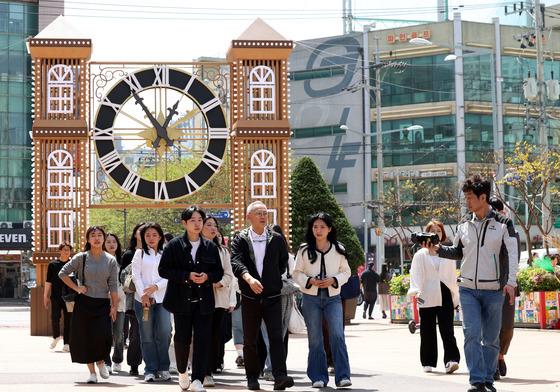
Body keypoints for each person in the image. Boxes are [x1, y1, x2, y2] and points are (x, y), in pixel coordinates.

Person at [437, 175, 518, 392]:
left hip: (493, 290)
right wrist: (436, 248)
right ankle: (476, 381)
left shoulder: (503, 224)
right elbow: (456, 252)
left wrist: (510, 282)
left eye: (470, 197)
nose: (467, 201)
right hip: (467, 290)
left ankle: (488, 381)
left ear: (483, 197)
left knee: (491, 340)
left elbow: (512, 253)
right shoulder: (464, 224)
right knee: (471, 333)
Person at [230, 201, 294, 391]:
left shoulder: (276, 238)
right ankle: (252, 377)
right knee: (250, 339)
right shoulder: (240, 238)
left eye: (265, 212)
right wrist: (249, 279)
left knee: (276, 337)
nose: (263, 216)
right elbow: (235, 261)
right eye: (258, 213)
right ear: (248, 216)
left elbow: (283, 263)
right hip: (250, 297)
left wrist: (271, 279)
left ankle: (280, 376)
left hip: (273, 296)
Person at [159, 206, 224, 392]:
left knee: (203, 340)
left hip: (204, 301)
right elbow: (163, 270)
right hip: (181, 301)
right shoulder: (174, 245)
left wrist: (207, 277)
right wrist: (186, 275)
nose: (197, 224)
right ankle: (182, 372)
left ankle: (198, 380)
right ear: (184, 223)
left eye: (199, 220)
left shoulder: (210, 247)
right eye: (193, 220)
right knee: (182, 339)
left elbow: (218, 272)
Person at [293, 212, 352, 389]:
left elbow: (347, 272)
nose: (318, 230)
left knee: (337, 335)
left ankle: (342, 376)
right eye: (315, 227)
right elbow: (296, 273)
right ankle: (318, 376)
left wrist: (333, 280)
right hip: (311, 298)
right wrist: (310, 281)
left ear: (329, 229)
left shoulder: (339, 249)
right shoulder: (304, 250)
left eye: (322, 227)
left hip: (333, 298)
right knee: (315, 338)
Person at [58, 226, 119, 384]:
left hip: (103, 304)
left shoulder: (111, 260)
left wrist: (114, 306)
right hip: (84, 303)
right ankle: (92, 373)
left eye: (100, 235)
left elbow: (113, 285)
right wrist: (77, 288)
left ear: (104, 238)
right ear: (88, 239)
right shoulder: (81, 257)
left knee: (103, 336)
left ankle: (101, 362)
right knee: (85, 338)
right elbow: (62, 273)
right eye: (93, 235)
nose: (97, 238)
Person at [408, 220, 460, 374]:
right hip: (426, 293)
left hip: (445, 292)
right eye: (432, 231)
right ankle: (428, 361)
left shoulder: (447, 252)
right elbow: (415, 274)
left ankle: (452, 360)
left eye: (438, 231)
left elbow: (451, 276)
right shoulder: (420, 255)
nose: (436, 233)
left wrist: (454, 296)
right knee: (427, 329)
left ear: (442, 234)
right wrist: (416, 291)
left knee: (447, 329)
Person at [132, 222, 172, 382]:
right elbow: (136, 275)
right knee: (147, 335)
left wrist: (156, 286)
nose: (151, 238)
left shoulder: (167, 253)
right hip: (142, 301)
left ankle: (164, 367)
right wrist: (144, 295)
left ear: (160, 237)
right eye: (147, 235)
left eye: (154, 235)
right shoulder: (139, 253)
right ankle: (150, 369)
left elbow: (170, 275)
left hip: (163, 299)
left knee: (164, 332)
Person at [489, 197, 520, 381]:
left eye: (498, 210)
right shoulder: (484, 230)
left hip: (508, 284)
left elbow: (515, 257)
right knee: (491, 325)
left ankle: (501, 354)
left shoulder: (511, 230)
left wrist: (512, 282)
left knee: (507, 326)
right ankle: (493, 362)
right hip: (489, 284)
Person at [201, 216, 233, 388]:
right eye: (209, 225)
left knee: (214, 336)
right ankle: (203, 372)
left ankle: (209, 369)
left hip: (219, 298)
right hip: (199, 298)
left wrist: (219, 283)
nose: (213, 228)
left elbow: (229, 274)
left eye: (215, 225)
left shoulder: (223, 251)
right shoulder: (195, 247)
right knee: (201, 335)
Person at [120, 223, 145, 376]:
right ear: (135, 234)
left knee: (154, 334)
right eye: (140, 231)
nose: (143, 234)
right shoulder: (129, 254)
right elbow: (122, 278)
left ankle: (153, 365)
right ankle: (134, 364)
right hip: (134, 298)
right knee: (135, 333)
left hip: (154, 298)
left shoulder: (156, 252)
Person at [44, 242, 73, 352]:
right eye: (64, 249)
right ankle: (56, 337)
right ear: (60, 251)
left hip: (69, 297)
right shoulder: (53, 264)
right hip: (55, 297)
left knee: (68, 320)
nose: (66, 251)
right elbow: (48, 281)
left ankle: (67, 343)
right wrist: (45, 296)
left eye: (68, 250)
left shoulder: (72, 264)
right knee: (55, 318)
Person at [104, 233, 126, 373]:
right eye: (108, 242)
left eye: (114, 242)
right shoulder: (100, 260)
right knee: (105, 333)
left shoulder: (122, 260)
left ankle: (117, 359)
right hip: (104, 301)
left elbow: (126, 282)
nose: (111, 244)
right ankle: (107, 362)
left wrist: (117, 298)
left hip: (120, 300)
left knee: (118, 333)